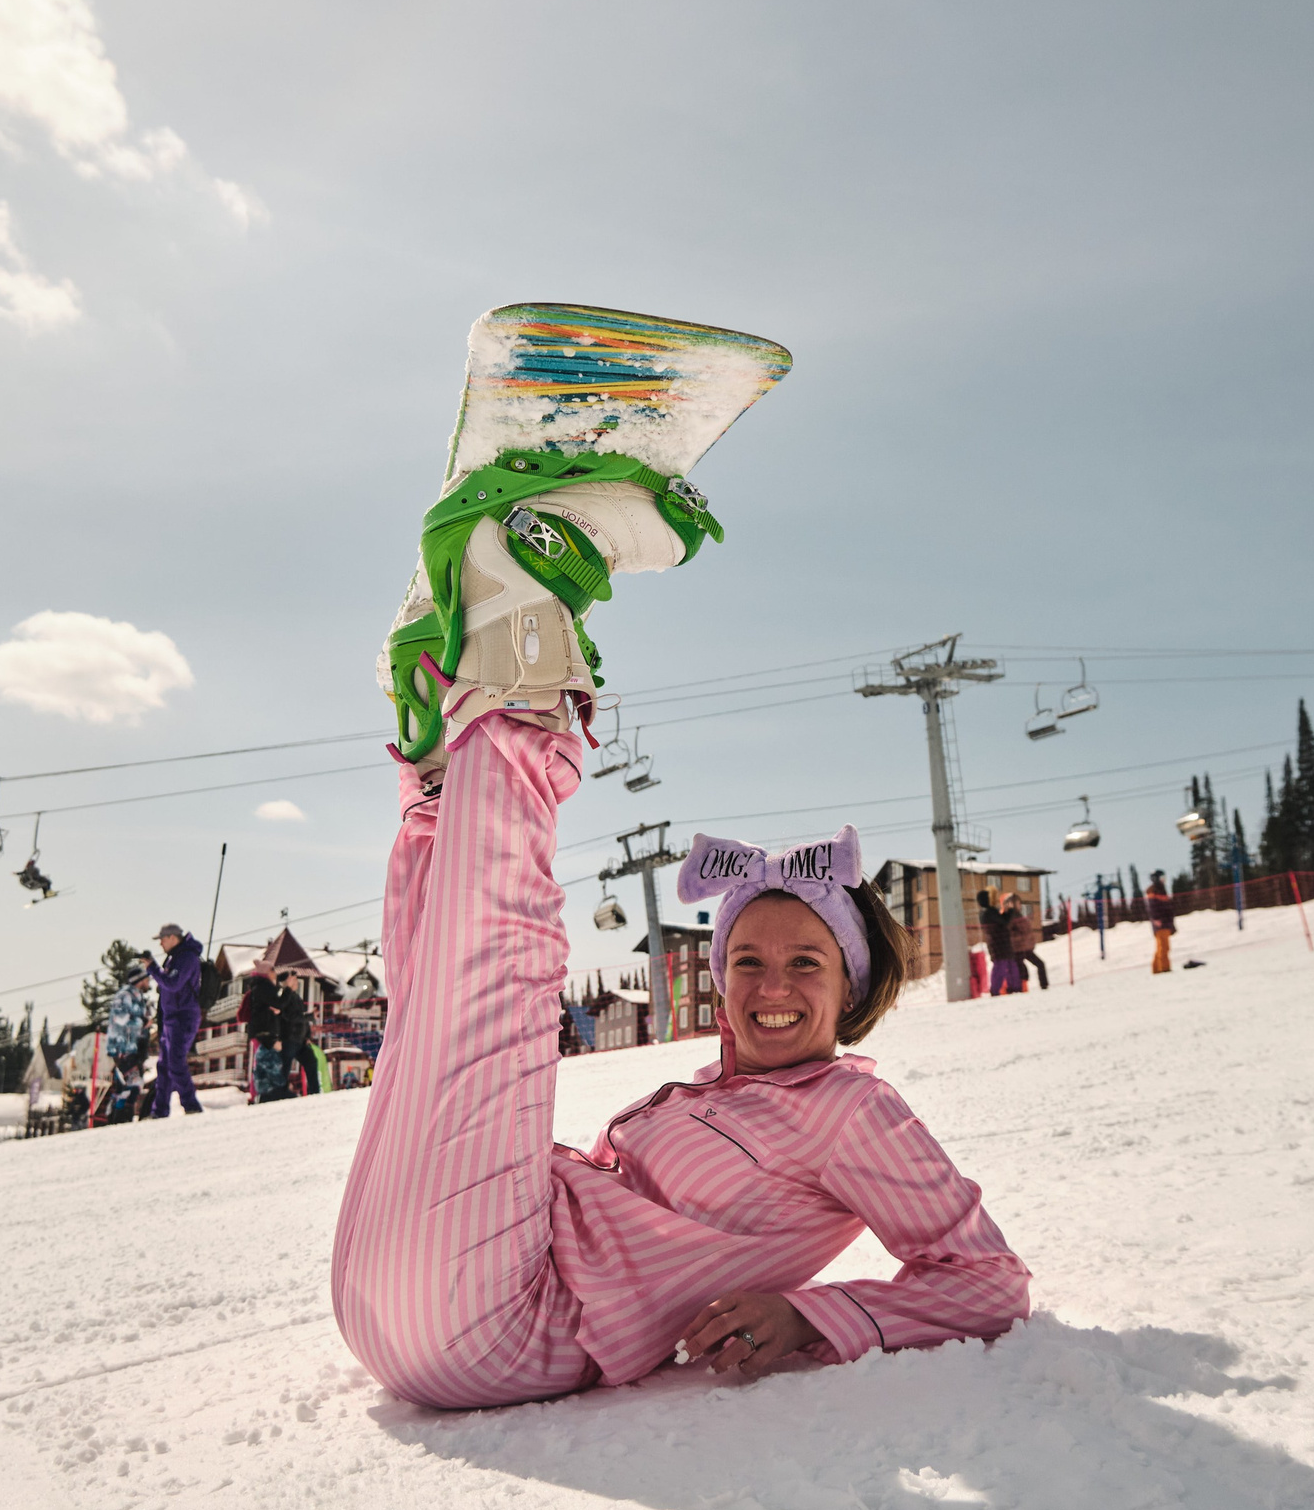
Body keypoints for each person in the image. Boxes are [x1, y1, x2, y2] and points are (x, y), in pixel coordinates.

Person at [331, 439, 1027, 1412]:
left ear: (856, 985)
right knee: (426, 1012)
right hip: (409, 1292)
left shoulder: (854, 1110)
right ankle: (444, 758)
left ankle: (523, 671)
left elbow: (987, 1280)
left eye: (803, 964)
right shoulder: (710, 1092)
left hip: (505, 1321)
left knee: (497, 1002)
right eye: (745, 958)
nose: (769, 986)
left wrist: (815, 1315)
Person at [149, 925, 206, 1116]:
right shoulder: (176, 957)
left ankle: (191, 1106)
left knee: (175, 1063)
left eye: (162, 939)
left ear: (173, 938)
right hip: (171, 1018)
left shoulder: (186, 958)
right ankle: (159, 1111)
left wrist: (152, 968)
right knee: (164, 1066)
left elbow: (172, 983)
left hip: (183, 1018)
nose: (160, 944)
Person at [242, 964, 287, 1103]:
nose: (275, 972)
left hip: (260, 1030)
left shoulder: (260, 986)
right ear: (265, 973)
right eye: (272, 970)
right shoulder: (264, 987)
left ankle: (256, 1093)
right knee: (263, 1062)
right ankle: (259, 1094)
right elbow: (278, 1004)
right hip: (263, 1031)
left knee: (260, 1061)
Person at [279, 971, 319, 1096]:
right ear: (287, 982)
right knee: (285, 1068)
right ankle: (280, 1093)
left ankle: (315, 1093)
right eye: (294, 980)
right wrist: (310, 1016)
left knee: (311, 1061)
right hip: (288, 1039)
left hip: (300, 1040)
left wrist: (307, 1036)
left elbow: (302, 1020)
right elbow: (292, 1017)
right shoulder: (283, 996)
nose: (296, 983)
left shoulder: (296, 997)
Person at [977, 889, 1020, 995]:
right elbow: (1004, 921)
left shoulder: (984, 912)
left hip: (998, 942)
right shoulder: (989, 912)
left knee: (1009, 965)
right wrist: (1009, 911)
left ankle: (1013, 987)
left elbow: (1001, 920)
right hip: (1000, 943)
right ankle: (998, 990)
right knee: (1002, 966)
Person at [1013, 903, 1050, 990]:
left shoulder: (1023, 919)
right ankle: (1022, 987)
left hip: (1026, 949)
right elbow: (1017, 936)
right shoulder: (1013, 921)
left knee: (1040, 964)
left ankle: (1043, 985)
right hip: (1019, 949)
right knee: (1022, 969)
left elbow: (1028, 935)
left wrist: (1031, 945)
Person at [1146, 872, 1175, 974]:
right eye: (1161, 877)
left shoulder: (1161, 890)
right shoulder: (1154, 891)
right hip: (1160, 923)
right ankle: (1163, 968)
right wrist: (1156, 919)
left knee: (1162, 946)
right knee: (1163, 946)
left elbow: (1167, 908)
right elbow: (1152, 908)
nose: (1164, 879)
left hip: (1165, 922)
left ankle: (1157, 968)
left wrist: (1172, 925)